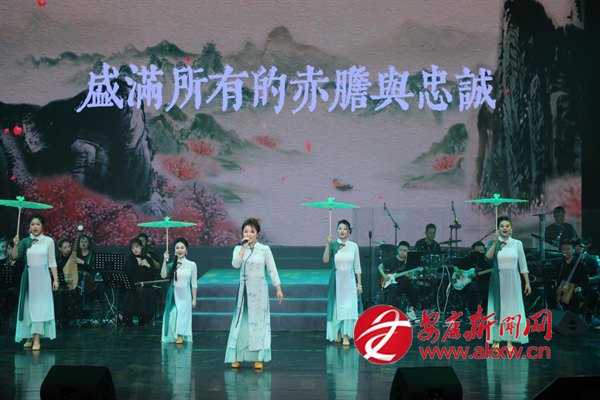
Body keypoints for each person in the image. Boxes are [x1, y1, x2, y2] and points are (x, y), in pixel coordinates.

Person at [225, 218, 283, 370]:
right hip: (244, 291)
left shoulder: (264, 249)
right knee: (241, 323)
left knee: (258, 323)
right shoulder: (238, 249)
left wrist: (278, 288)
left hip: (259, 291)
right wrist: (243, 248)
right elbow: (235, 264)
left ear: (257, 233)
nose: (249, 234)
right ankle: (238, 356)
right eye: (246, 231)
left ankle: (258, 358)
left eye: (252, 231)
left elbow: (272, 269)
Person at [11, 214, 59, 350]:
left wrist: (55, 280)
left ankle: (37, 339)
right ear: (29, 227)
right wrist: (16, 244)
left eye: (38, 224)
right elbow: (14, 257)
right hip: (29, 279)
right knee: (28, 308)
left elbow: (52, 262)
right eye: (32, 224)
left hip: (43, 279)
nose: (35, 227)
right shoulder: (25, 241)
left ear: (42, 226)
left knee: (39, 308)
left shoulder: (48, 241)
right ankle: (30, 336)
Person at [485, 216, 531, 352]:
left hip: (513, 281)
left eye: (507, 226)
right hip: (498, 280)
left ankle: (509, 341)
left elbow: (523, 265)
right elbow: (487, 258)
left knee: (511, 310)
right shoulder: (493, 242)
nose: (504, 228)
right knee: (498, 310)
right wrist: (495, 243)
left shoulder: (517, 243)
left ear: (511, 228)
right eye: (501, 226)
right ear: (498, 229)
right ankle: (496, 341)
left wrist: (527, 283)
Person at [323, 220, 363, 345]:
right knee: (337, 308)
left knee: (349, 308)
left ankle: (346, 335)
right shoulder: (333, 246)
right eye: (340, 228)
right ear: (336, 230)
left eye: (345, 229)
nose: (342, 231)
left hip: (350, 282)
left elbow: (357, 267)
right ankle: (338, 332)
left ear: (349, 231)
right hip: (337, 281)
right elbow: (325, 260)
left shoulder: (354, 246)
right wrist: (328, 244)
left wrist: (359, 284)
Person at [161, 238, 197, 344]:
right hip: (174, 294)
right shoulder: (172, 265)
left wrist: (194, 299)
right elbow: (163, 275)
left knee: (182, 315)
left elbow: (194, 284)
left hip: (185, 295)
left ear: (186, 250)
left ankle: (180, 335)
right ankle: (174, 334)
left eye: (182, 248)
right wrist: (164, 260)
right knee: (173, 313)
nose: (179, 250)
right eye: (177, 248)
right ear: (174, 250)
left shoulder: (192, 264)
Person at [377, 241, 419, 321]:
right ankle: (392, 311)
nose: (402, 252)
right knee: (393, 288)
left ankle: (411, 311)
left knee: (415, 289)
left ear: (408, 251)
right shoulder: (391, 259)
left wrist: (410, 277)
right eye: (401, 250)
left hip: (405, 284)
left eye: (405, 251)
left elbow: (411, 276)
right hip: (394, 284)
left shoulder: (409, 261)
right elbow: (380, 266)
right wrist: (384, 276)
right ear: (398, 250)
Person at [123, 238, 158, 327]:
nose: (135, 249)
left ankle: (143, 317)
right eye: (133, 248)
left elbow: (153, 275)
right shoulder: (129, 260)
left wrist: (148, 265)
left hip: (145, 287)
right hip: (132, 286)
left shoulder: (148, 259)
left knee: (145, 292)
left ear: (141, 247)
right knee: (130, 293)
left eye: (137, 247)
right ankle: (128, 318)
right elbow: (127, 275)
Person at [454, 241, 488, 318]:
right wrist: (457, 271)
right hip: (466, 284)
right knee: (472, 287)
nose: (479, 253)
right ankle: (472, 311)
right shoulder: (467, 259)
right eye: (477, 251)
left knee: (489, 289)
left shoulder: (485, 261)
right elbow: (455, 265)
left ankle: (484, 310)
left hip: (481, 283)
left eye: (481, 251)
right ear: (472, 251)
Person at [555, 240, 589, 314]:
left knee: (577, 297)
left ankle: (571, 317)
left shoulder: (579, 265)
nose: (565, 251)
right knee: (550, 294)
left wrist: (580, 288)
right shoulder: (559, 264)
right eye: (563, 249)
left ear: (573, 250)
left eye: (568, 249)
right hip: (562, 289)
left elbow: (584, 280)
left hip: (574, 290)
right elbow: (556, 279)